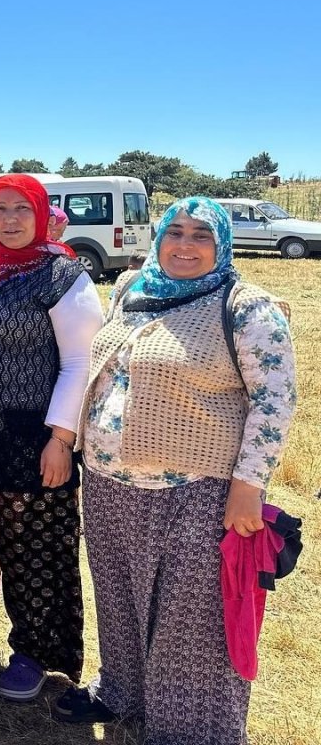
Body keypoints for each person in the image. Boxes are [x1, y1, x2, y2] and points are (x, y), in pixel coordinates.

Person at [55, 198, 297, 744]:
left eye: (201, 236)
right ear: (159, 237)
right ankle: (123, 693)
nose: (185, 246)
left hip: (197, 489)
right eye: (176, 232)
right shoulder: (132, 290)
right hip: (108, 481)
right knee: (116, 596)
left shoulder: (246, 308)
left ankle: (190, 730)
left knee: (190, 622)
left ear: (223, 245)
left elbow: (274, 402)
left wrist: (248, 488)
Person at [0, 173, 103, 700]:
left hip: (27, 438)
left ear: (39, 214)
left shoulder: (62, 275)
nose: (10, 221)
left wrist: (60, 438)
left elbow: (80, 362)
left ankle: (34, 652)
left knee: (34, 548)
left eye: (21, 210)